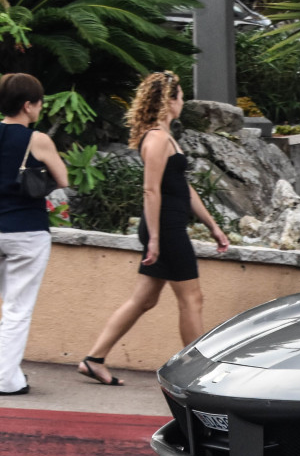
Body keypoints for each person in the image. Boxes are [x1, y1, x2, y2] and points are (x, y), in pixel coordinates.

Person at [78, 71, 229, 386]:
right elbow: (150, 190)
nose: (183, 101)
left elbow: (182, 189)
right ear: (169, 101)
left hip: (167, 227)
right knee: (192, 298)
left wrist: (213, 225)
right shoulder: (157, 139)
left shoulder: (166, 136)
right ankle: (195, 373)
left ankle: (93, 359)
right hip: (165, 230)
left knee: (144, 300)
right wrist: (156, 240)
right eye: (181, 96)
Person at [0, 73, 69, 395]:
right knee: (17, 308)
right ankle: (5, 380)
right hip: (26, 232)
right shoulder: (37, 139)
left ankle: (10, 376)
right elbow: (63, 178)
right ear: (28, 105)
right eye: (39, 102)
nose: (40, 108)